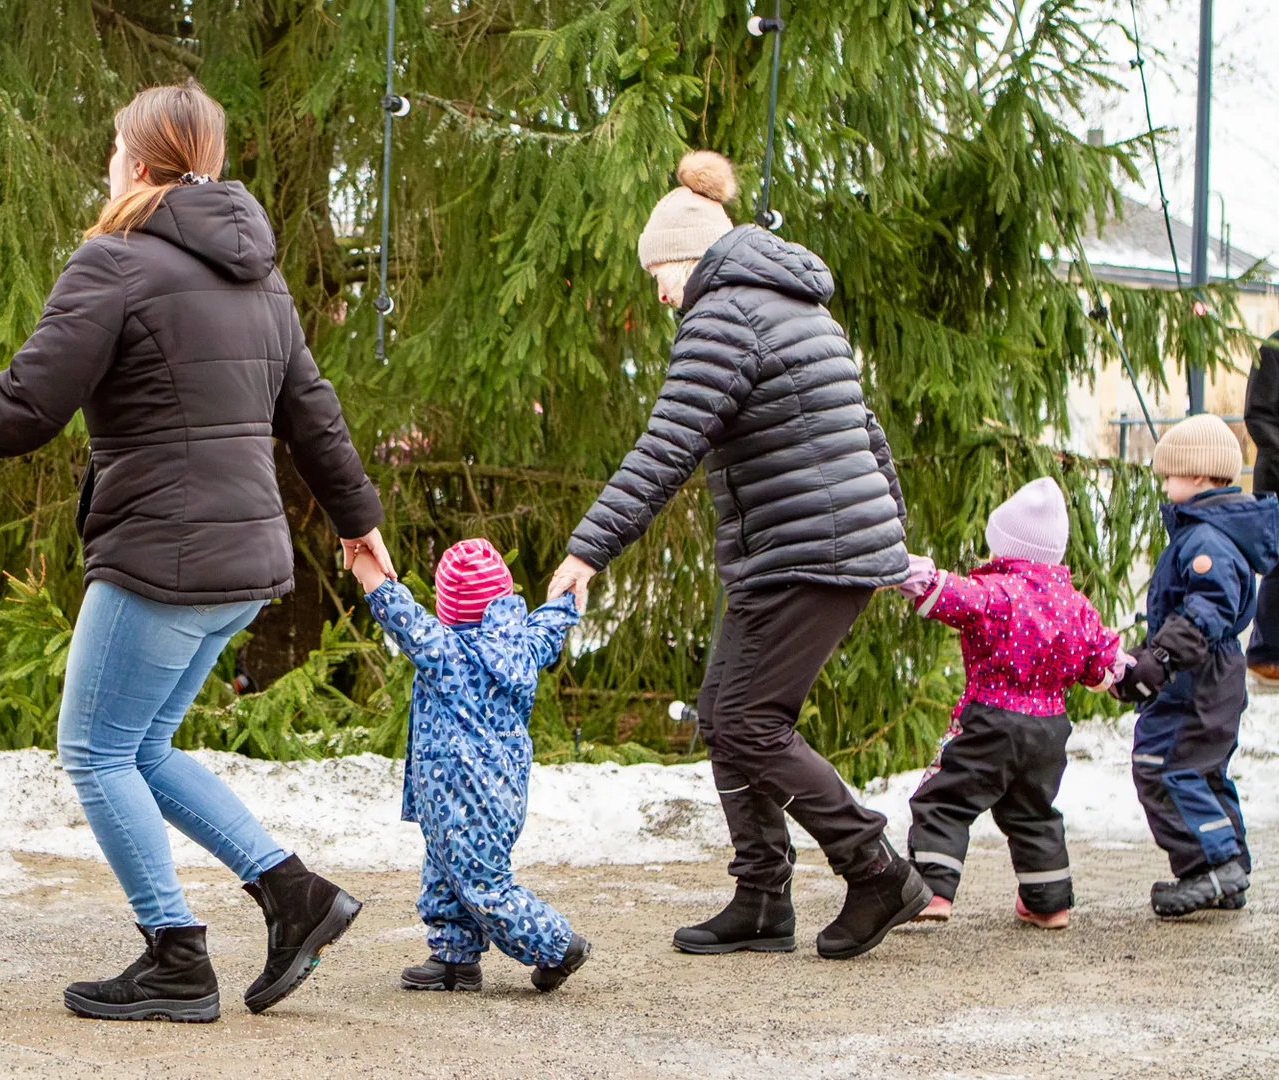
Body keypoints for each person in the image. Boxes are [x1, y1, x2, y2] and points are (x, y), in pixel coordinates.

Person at [0, 82, 385, 1023]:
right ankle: (294, 895)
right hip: (243, 560)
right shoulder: (259, 273)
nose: (107, 164)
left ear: (139, 160)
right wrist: (356, 517)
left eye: (114, 149)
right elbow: (313, 413)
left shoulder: (114, 262)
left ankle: (176, 958)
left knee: (93, 752)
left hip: (164, 557)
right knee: (141, 746)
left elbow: (25, 406)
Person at [546, 150, 929, 961]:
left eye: (659, 270)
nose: (656, 289)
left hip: (806, 551)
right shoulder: (795, 307)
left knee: (747, 720)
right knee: (728, 716)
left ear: (689, 255)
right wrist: (888, 539)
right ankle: (762, 898)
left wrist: (587, 551)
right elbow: (868, 434)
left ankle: (875, 869)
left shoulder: (724, 314)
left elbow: (665, 447)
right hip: (814, 548)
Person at [351, 538, 589, 994]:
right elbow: (554, 619)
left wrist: (362, 558)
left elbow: (399, 612)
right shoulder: (525, 642)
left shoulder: (446, 652)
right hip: (488, 791)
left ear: (449, 606)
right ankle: (453, 959)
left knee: (482, 883)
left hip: (462, 792)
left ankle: (558, 946)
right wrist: (568, 592)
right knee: (444, 869)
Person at [895, 477, 1126, 929]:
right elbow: (1101, 662)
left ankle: (932, 890)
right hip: (1049, 730)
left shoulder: (998, 592)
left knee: (944, 799)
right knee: (1034, 812)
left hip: (990, 720)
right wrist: (1117, 672)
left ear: (1006, 548)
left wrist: (903, 569)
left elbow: (947, 594)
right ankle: (1048, 902)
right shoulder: (1076, 606)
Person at [1110, 413, 1274, 916]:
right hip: (1209, 676)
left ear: (1200, 476)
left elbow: (1206, 609)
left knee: (1163, 768)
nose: (1163, 483)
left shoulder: (1206, 540)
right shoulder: (1206, 532)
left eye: (1169, 474)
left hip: (1197, 679)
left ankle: (1210, 865)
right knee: (1202, 772)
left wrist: (1159, 657)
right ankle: (1231, 866)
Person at [1241, 333, 1279, 681]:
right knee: (1278, 566)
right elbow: (1258, 416)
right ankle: (1265, 655)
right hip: (1277, 482)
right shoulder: (1272, 349)